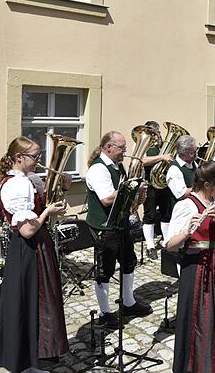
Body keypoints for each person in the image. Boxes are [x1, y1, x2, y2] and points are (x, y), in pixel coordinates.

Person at [0, 137, 68, 373]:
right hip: (29, 249)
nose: (39, 161)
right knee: (32, 302)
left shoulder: (27, 180)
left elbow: (37, 208)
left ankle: (33, 358)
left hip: (33, 248)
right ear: (19, 157)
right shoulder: (17, 185)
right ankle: (29, 362)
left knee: (34, 301)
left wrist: (62, 189)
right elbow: (27, 230)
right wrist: (47, 211)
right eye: (35, 156)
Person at [166, 161, 215, 373]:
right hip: (198, 266)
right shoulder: (186, 205)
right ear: (208, 184)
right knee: (201, 315)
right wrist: (188, 231)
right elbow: (170, 244)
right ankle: (199, 364)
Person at [85, 131, 153, 330]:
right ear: (108, 147)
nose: (125, 152)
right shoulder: (98, 169)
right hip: (104, 227)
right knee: (104, 270)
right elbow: (107, 198)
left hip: (121, 224)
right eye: (122, 148)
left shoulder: (117, 166)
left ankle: (128, 301)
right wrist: (131, 187)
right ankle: (105, 313)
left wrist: (140, 193)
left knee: (129, 262)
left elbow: (128, 199)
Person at [140, 120, 173, 260]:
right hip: (150, 184)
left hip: (163, 183)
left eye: (158, 132)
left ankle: (166, 241)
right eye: (156, 132)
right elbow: (142, 160)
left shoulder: (162, 145)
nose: (159, 134)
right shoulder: (142, 143)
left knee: (166, 214)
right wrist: (161, 157)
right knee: (150, 215)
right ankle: (150, 246)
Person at [159, 135, 198, 244]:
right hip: (182, 215)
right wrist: (201, 186)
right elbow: (181, 194)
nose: (196, 153)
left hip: (194, 210)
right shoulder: (174, 169)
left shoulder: (194, 163)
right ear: (183, 153)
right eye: (193, 152)